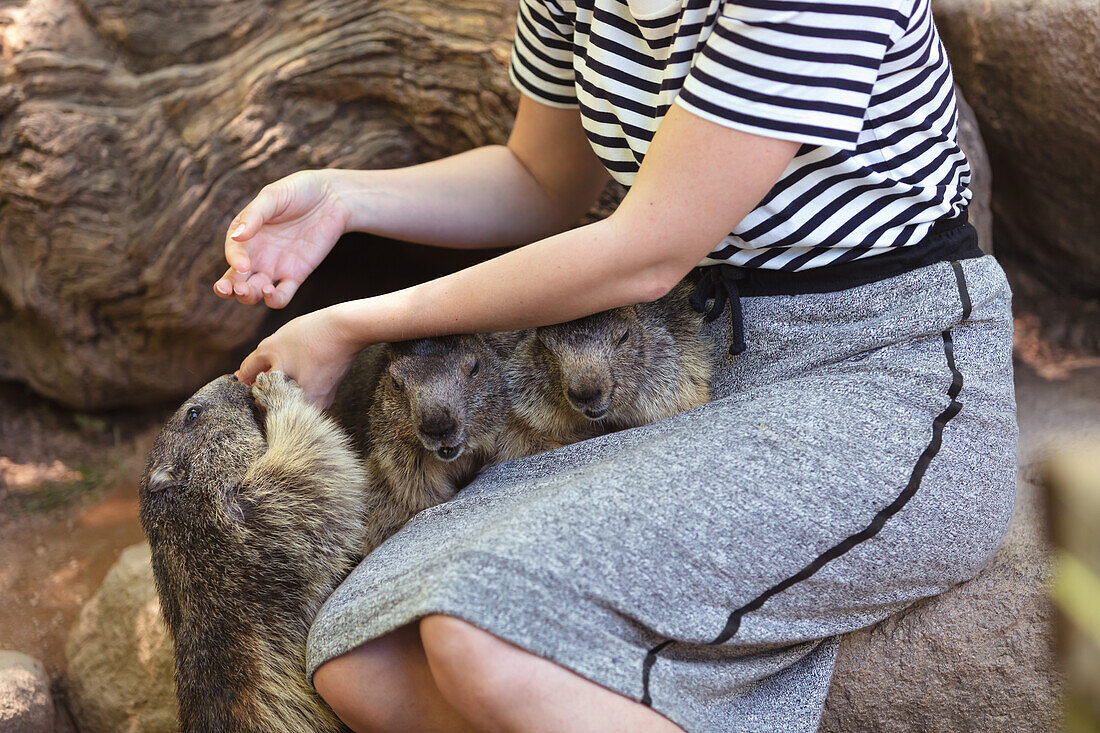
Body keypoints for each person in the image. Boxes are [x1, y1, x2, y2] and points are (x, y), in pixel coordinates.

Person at [215, 0, 1018, 730]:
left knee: (481, 636)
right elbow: (538, 178)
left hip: (879, 372)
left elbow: (649, 252)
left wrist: (352, 325)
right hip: (686, 375)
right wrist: (345, 201)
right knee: (362, 658)